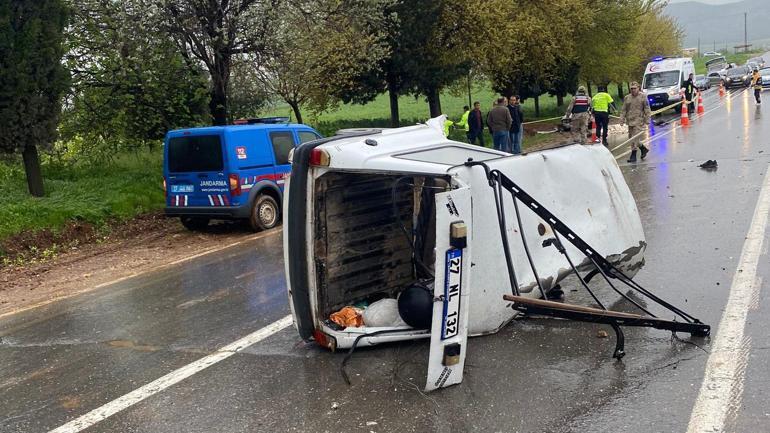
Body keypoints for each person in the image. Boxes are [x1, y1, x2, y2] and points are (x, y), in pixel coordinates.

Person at [620, 81, 652, 163]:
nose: (633, 90)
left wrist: (648, 119)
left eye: (635, 88)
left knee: (635, 138)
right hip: (630, 121)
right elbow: (623, 109)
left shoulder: (643, 97)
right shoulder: (627, 97)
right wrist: (622, 119)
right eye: (631, 88)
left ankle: (633, 155)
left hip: (639, 121)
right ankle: (643, 149)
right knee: (631, 138)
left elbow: (647, 109)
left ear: (638, 88)